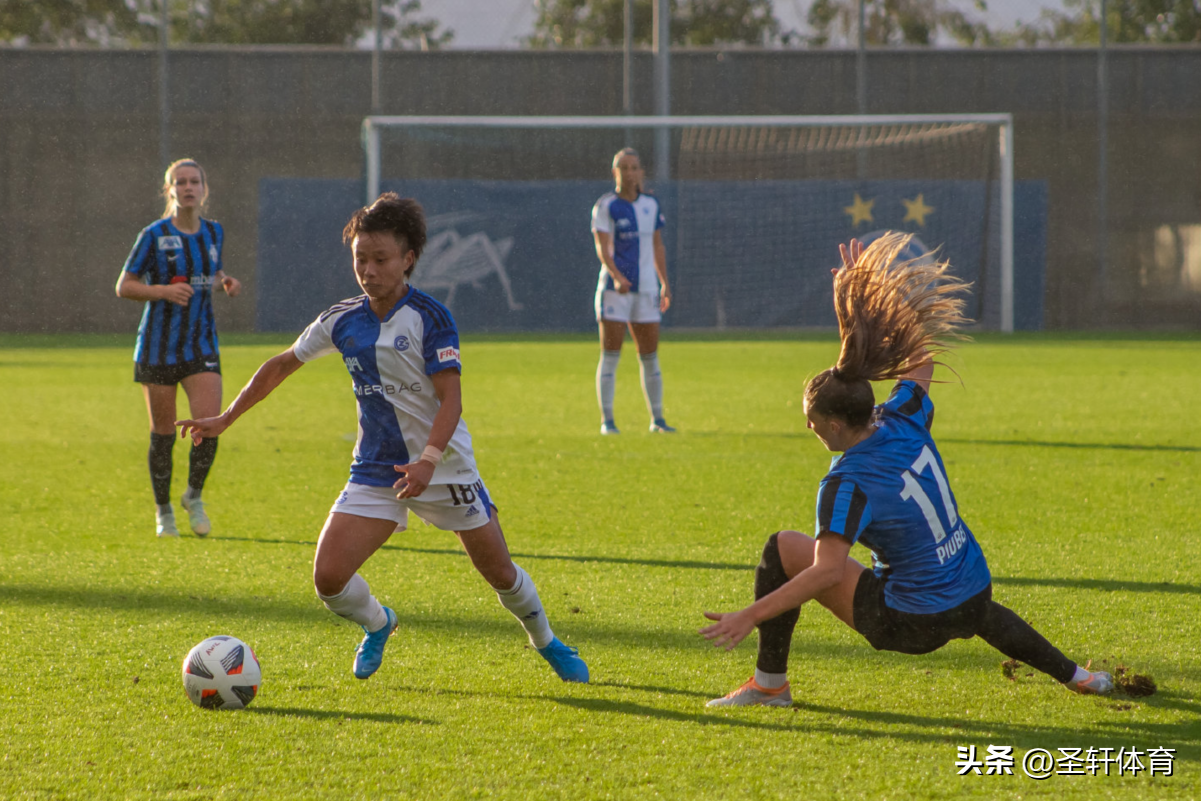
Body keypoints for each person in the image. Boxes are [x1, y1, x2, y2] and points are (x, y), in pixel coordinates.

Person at [176, 193, 589, 684]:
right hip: (376, 468)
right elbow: (282, 364)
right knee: (328, 579)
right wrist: (225, 417)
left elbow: (451, 400)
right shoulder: (342, 319)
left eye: (380, 260)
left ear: (408, 259)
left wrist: (429, 461)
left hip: (443, 465)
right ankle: (379, 623)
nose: (368, 271)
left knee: (499, 572)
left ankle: (546, 640)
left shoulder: (431, 318)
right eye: (360, 260)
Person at [700, 233, 1113, 706]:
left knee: (782, 549)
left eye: (810, 420)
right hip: (975, 589)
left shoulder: (845, 482)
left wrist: (751, 614)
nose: (807, 426)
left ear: (833, 424)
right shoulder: (902, 416)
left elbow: (826, 574)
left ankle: (769, 686)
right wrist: (871, 302)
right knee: (976, 610)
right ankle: (1081, 677)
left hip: (909, 623)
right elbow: (922, 358)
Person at [116, 158, 242, 538]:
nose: (188, 188)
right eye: (180, 182)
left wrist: (225, 281)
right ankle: (163, 511)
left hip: (201, 344)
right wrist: (162, 291)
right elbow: (124, 285)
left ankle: (194, 495)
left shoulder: (215, 232)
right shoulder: (153, 234)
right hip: (157, 348)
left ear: (205, 189)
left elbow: (213, 269)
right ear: (169, 190)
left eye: (194, 181)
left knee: (210, 426)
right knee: (164, 434)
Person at [590, 147, 675, 435]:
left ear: (641, 172)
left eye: (634, 167)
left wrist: (664, 282)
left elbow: (657, 245)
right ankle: (608, 421)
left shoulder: (651, 204)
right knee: (611, 354)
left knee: (649, 355)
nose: (629, 173)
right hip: (615, 293)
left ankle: (658, 420)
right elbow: (602, 247)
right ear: (615, 172)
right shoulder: (606, 206)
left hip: (647, 290)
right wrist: (617, 277)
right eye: (623, 168)